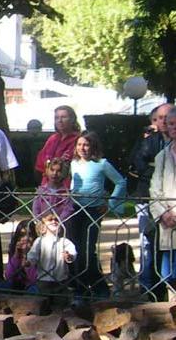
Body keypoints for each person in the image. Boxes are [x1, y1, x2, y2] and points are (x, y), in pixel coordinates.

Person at [69, 130, 126, 301]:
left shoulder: (102, 164)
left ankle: (99, 287)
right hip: (75, 209)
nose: (82, 148)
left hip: (93, 210)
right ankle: (81, 288)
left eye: (86, 145)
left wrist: (110, 203)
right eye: (79, 144)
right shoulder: (73, 163)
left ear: (93, 146)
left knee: (87, 249)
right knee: (74, 250)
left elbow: (120, 182)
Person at [130, 102, 174, 299]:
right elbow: (139, 166)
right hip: (155, 204)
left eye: (169, 119)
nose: (165, 123)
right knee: (152, 247)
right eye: (161, 118)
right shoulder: (153, 144)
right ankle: (152, 290)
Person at [150, 108, 176, 289]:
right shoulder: (162, 156)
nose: (174, 128)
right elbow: (154, 189)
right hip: (168, 222)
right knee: (169, 273)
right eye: (171, 124)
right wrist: (163, 213)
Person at [27, 212, 76, 297]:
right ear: (42, 227)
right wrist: (29, 261)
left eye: (57, 220)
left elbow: (72, 251)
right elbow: (33, 254)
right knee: (44, 300)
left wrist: (69, 256)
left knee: (61, 300)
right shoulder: (39, 241)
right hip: (44, 279)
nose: (54, 221)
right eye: (50, 220)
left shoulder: (64, 241)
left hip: (61, 279)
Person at [35, 106, 81, 184]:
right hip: (47, 184)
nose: (60, 121)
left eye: (63, 117)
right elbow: (40, 161)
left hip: (66, 184)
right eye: (57, 118)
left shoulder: (78, 139)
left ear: (72, 119)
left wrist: (57, 162)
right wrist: (57, 161)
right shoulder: (52, 138)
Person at [0, 221, 38, 292]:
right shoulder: (15, 248)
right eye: (22, 235)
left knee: (33, 290)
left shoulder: (39, 250)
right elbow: (8, 275)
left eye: (30, 234)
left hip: (32, 285)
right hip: (17, 283)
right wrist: (16, 255)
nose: (26, 238)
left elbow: (33, 279)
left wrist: (27, 256)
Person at [32, 157, 74, 222]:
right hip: (44, 224)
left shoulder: (66, 193)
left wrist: (57, 221)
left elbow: (68, 210)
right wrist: (43, 221)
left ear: (63, 173)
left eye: (58, 171)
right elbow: (35, 209)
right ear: (47, 171)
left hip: (60, 225)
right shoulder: (41, 191)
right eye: (52, 170)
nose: (54, 173)